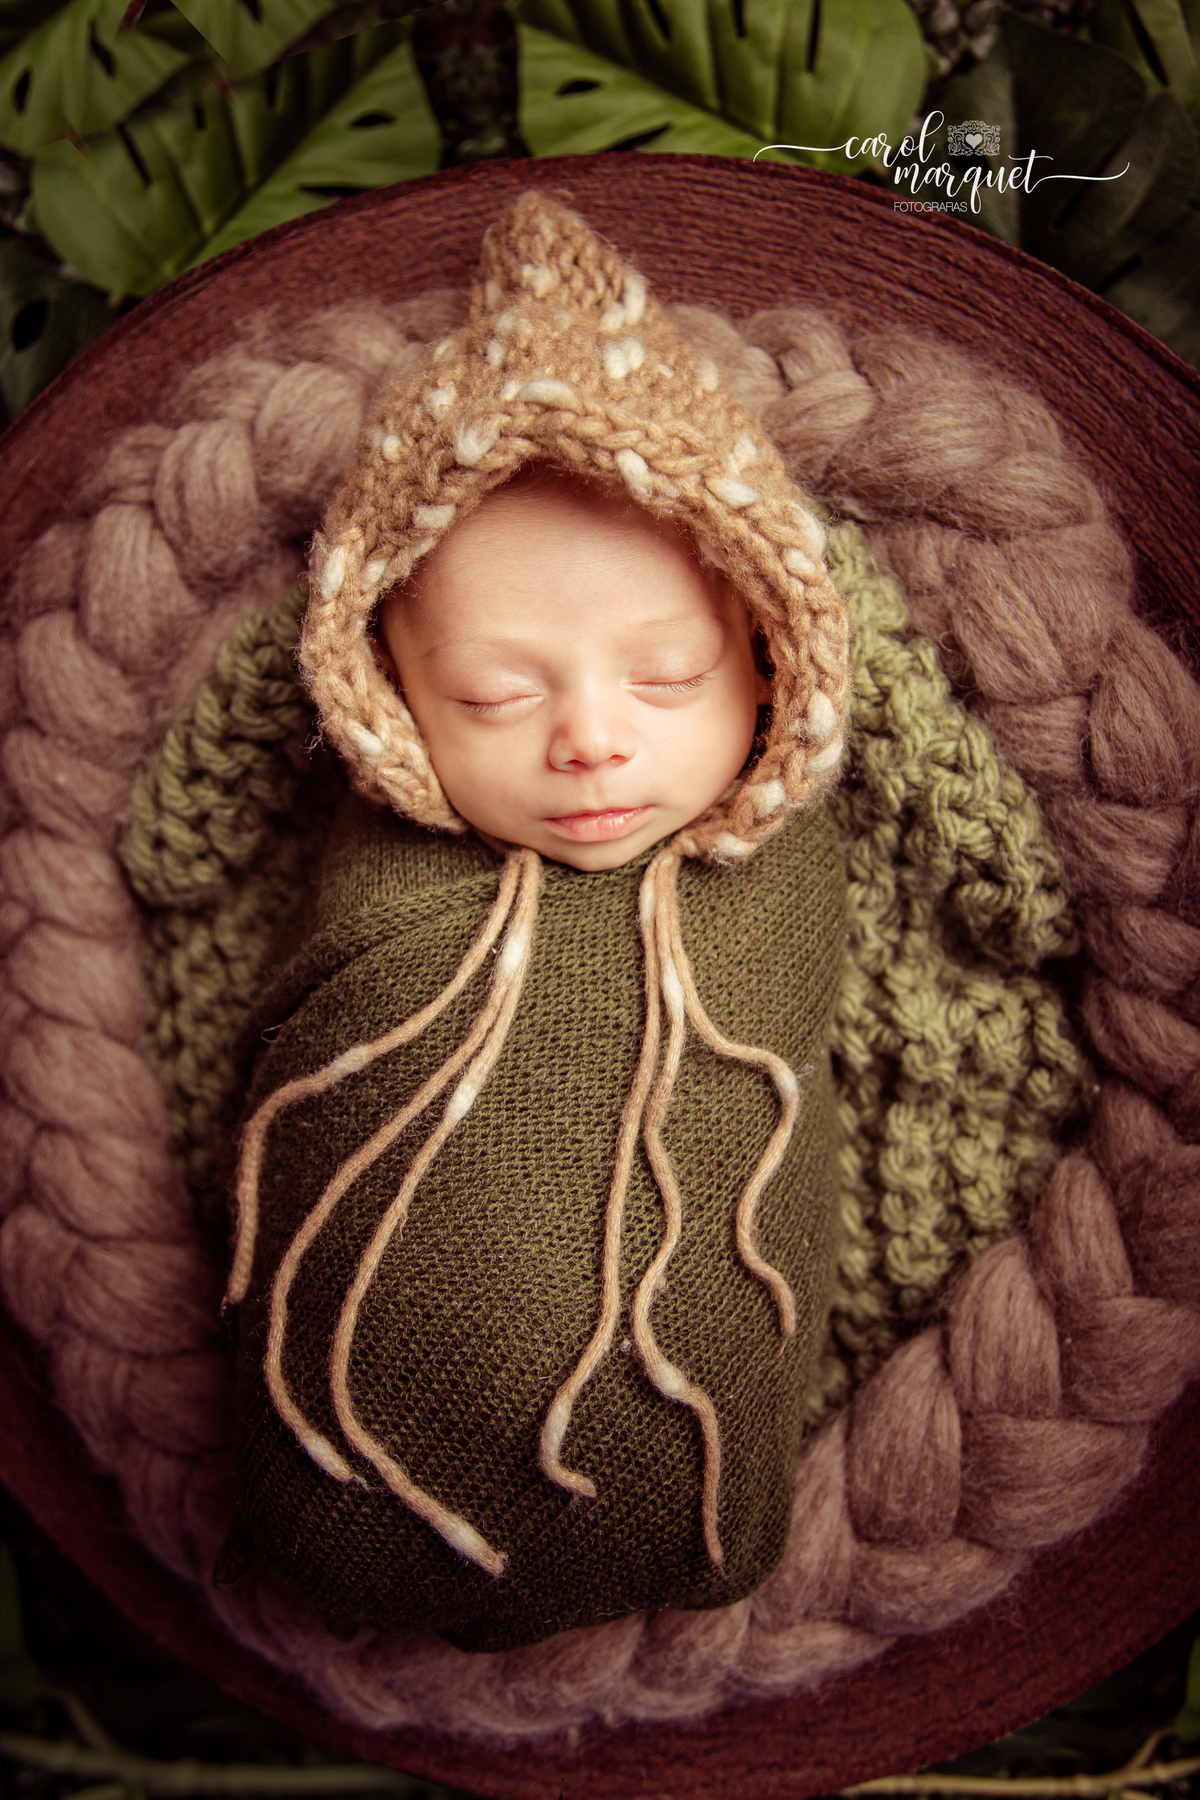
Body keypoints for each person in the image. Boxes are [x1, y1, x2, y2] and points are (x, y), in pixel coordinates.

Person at [219, 192, 851, 1652]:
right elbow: (279, 1078)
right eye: (498, 696)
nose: (589, 742)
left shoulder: (777, 878)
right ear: (383, 691)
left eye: (668, 676)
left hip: (699, 1453)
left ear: (769, 657)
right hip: (344, 1430)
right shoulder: (374, 864)